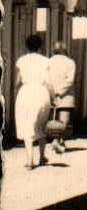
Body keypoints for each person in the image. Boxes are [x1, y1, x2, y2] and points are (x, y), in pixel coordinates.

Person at [16, 35, 54, 169]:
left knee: (27, 125)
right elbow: (48, 82)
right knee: (41, 125)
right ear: (40, 46)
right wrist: (53, 98)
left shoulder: (21, 60)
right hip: (41, 93)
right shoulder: (46, 61)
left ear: (27, 46)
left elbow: (17, 82)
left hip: (25, 93)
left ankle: (29, 160)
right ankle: (42, 156)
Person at [46, 42, 77, 154]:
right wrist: (60, 92)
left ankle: (57, 140)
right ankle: (57, 140)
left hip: (50, 95)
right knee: (63, 121)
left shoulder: (48, 62)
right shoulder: (70, 62)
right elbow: (70, 80)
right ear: (65, 50)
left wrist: (53, 92)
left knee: (52, 120)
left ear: (53, 50)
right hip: (66, 96)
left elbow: (47, 79)